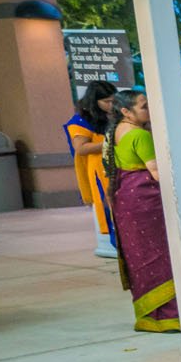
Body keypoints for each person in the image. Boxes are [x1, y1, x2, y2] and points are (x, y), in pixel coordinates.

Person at [101, 89, 179, 334]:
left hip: (127, 199)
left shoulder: (114, 133)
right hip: (147, 200)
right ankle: (172, 316)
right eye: (144, 106)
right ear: (126, 111)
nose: (149, 110)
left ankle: (149, 316)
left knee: (142, 257)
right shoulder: (139, 135)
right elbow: (158, 174)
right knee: (164, 254)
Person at [65, 80, 119, 258]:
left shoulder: (113, 115)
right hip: (99, 171)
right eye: (106, 102)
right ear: (94, 102)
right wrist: (111, 142)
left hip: (118, 166)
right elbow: (81, 148)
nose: (111, 105)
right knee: (110, 211)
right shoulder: (81, 120)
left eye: (113, 101)